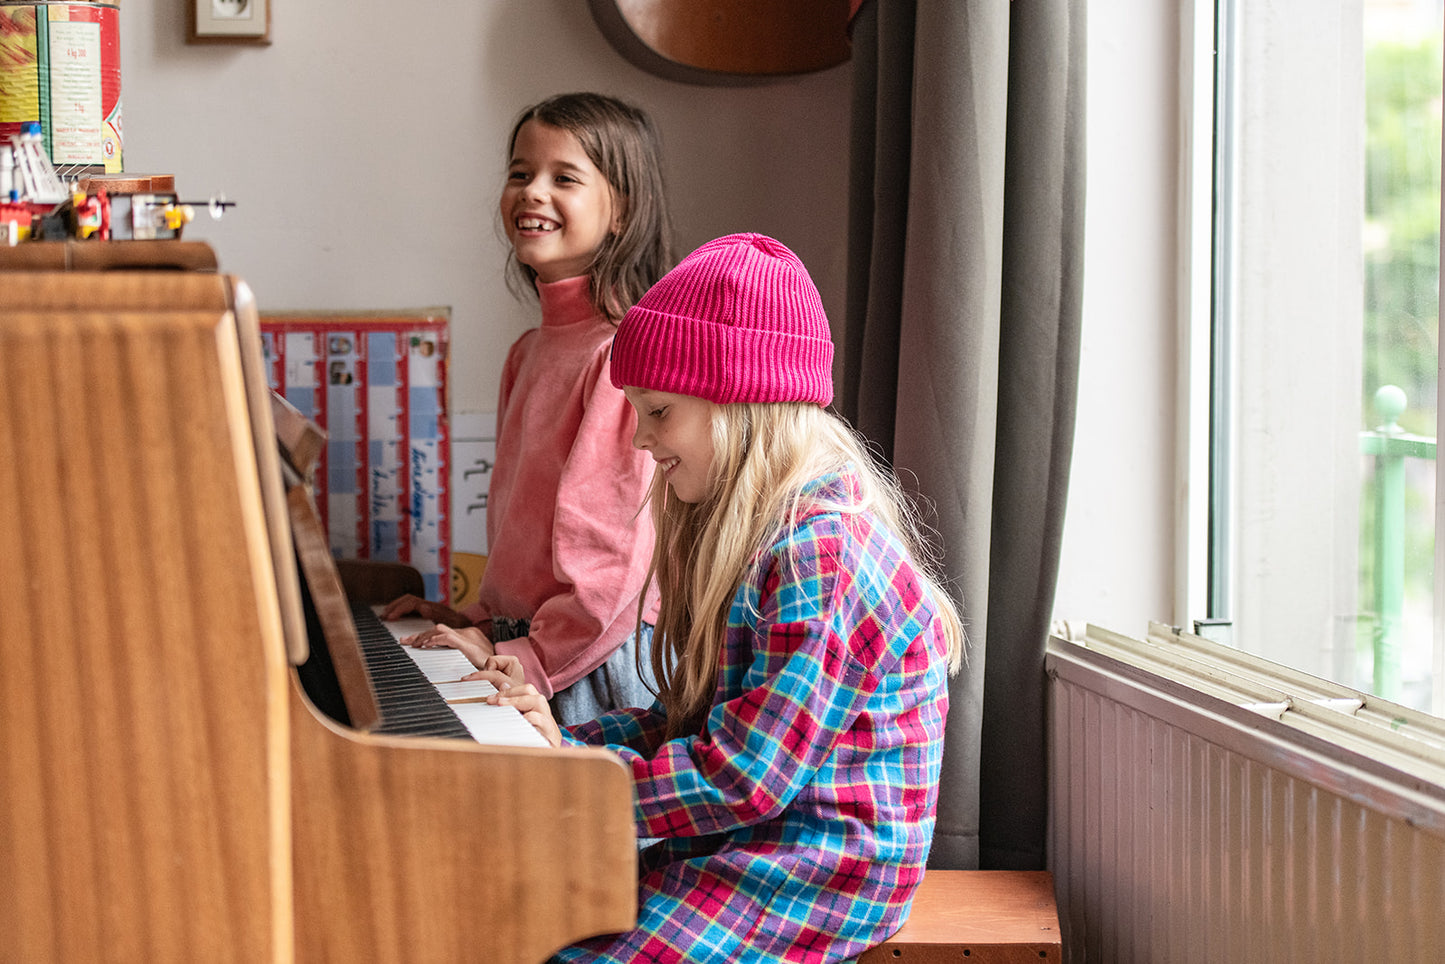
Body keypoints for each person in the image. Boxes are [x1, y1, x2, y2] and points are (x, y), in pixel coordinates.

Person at [473, 234, 966, 963]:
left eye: (659, 411)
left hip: (819, 872)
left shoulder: (822, 556)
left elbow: (742, 775)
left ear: (741, 404)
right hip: (754, 841)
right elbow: (695, 723)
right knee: (524, 917)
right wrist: (556, 745)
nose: (640, 438)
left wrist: (573, 780)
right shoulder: (774, 538)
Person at [383, 92, 673, 725]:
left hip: (586, 660)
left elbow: (609, 567)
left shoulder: (620, 353)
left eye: (563, 177)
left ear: (621, 208)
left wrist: (526, 657)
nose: (532, 192)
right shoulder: (530, 351)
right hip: (530, 643)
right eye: (520, 173)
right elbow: (524, 541)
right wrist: (476, 622)